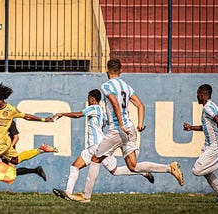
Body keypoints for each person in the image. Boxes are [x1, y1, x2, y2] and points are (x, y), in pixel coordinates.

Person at [67, 58, 184, 202]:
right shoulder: (127, 86)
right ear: (121, 71)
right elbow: (141, 105)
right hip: (131, 129)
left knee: (95, 159)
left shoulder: (106, 85)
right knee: (133, 166)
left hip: (117, 129)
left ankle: (86, 196)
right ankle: (169, 168)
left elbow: (115, 103)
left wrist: (120, 124)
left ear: (107, 70)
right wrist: (140, 124)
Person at [52, 89, 154, 200]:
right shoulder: (102, 111)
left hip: (98, 146)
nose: (88, 100)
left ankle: (143, 172)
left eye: (88, 98)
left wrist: (62, 113)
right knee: (76, 167)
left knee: (113, 171)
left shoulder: (94, 108)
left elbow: (78, 115)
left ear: (92, 98)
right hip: (94, 146)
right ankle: (68, 192)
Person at [183, 84, 218, 203]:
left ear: (202, 95)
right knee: (207, 172)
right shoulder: (211, 105)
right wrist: (191, 127)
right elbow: (208, 127)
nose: (196, 96)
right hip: (209, 145)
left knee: (196, 170)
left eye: (197, 94)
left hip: (215, 146)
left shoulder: (207, 108)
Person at [0, 120, 47, 195]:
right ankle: (35, 170)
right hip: (2, 148)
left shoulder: (9, 122)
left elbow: (16, 137)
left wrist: (10, 148)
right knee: (1, 170)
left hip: (7, 149)